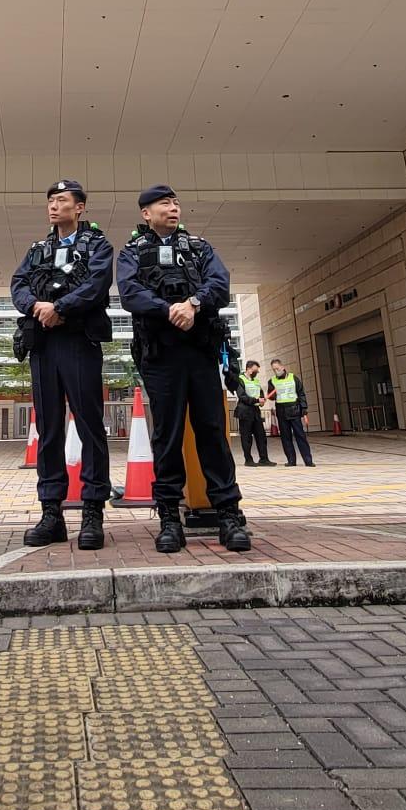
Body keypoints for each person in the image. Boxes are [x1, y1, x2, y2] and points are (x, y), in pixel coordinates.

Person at [118, 184, 251, 554]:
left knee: (212, 431)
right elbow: (129, 293)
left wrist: (192, 303)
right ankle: (168, 518)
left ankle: (228, 513)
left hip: (200, 352)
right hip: (160, 357)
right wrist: (168, 310)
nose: (173, 208)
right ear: (146, 213)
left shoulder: (199, 247)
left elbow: (219, 285)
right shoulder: (132, 252)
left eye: (176, 203)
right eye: (164, 203)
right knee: (167, 437)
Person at [11, 179, 115, 549]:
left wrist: (61, 308)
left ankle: (92, 512)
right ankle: (51, 512)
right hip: (43, 344)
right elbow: (18, 284)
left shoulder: (97, 245)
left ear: (80, 207)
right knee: (49, 430)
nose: (54, 206)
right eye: (51, 201)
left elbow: (98, 284)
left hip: (78, 341)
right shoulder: (38, 249)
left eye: (62, 200)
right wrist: (35, 306)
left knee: (89, 426)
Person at [267, 357, 314, 467]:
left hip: (294, 410)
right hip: (281, 411)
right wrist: (272, 395)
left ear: (283, 367)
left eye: (277, 369)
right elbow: (271, 396)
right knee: (285, 437)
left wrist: (304, 409)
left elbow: (301, 394)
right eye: (274, 370)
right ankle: (291, 460)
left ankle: (308, 460)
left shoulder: (294, 378)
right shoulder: (272, 381)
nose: (276, 371)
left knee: (300, 436)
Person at [234, 358, 271, 467]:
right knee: (246, 437)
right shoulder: (239, 380)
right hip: (244, 411)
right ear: (249, 369)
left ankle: (264, 459)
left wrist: (262, 401)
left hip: (255, 411)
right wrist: (256, 400)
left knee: (261, 436)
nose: (257, 372)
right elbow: (242, 396)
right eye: (256, 370)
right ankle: (248, 460)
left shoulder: (256, 381)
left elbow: (260, 394)